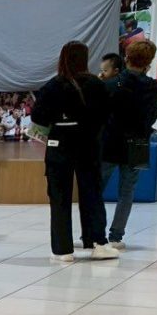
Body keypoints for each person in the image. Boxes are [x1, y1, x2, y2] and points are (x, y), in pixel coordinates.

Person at [30, 41, 117, 262]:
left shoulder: (52, 86)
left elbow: (38, 117)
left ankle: (63, 249)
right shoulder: (96, 85)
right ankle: (97, 242)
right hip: (88, 145)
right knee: (92, 193)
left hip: (59, 144)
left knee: (59, 196)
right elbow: (107, 114)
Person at [101, 37, 157, 250]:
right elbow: (152, 117)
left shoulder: (114, 82)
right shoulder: (153, 87)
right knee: (127, 191)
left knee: (97, 187)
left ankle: (93, 232)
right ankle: (116, 236)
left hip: (110, 140)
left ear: (126, 57)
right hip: (138, 142)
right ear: (149, 62)